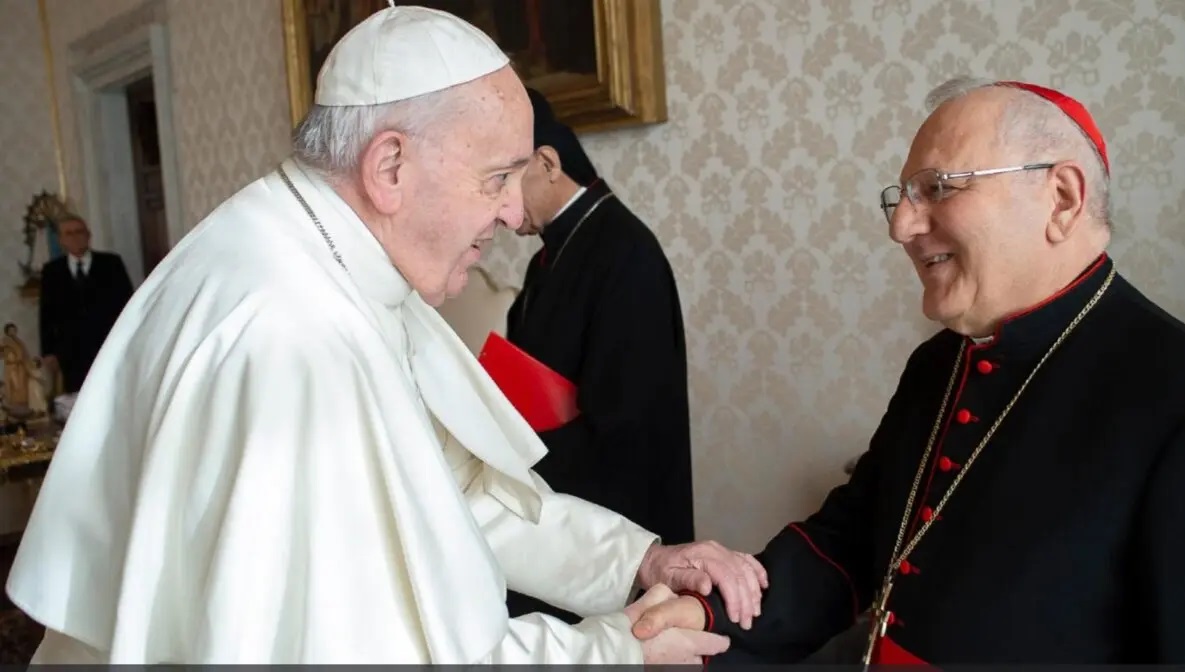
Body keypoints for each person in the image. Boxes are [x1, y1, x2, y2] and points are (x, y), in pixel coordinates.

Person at [4, 6, 766, 664]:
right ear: (390, 166)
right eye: (496, 178)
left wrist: (639, 559)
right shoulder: (290, 337)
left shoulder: (335, 262)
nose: (512, 213)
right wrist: (617, 650)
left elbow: (451, 499)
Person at [630, 76, 1185, 665]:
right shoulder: (940, 363)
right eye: (902, 197)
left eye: (938, 188)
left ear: (1061, 199)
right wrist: (710, 618)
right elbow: (850, 540)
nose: (902, 227)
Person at [502, 87, 696, 624]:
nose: (500, 209)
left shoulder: (625, 252)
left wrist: (520, 459)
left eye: (506, 181)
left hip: (613, 521)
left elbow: (627, 424)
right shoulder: (547, 258)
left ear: (547, 163)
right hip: (555, 508)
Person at [38, 215, 134, 394]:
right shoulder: (52, 271)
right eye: (69, 233)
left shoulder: (111, 264)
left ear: (88, 235)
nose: (75, 237)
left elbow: (127, 305)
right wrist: (48, 352)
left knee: (110, 392)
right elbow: (46, 314)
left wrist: (128, 340)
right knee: (78, 397)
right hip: (71, 351)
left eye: (79, 232)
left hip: (107, 345)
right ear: (61, 240)